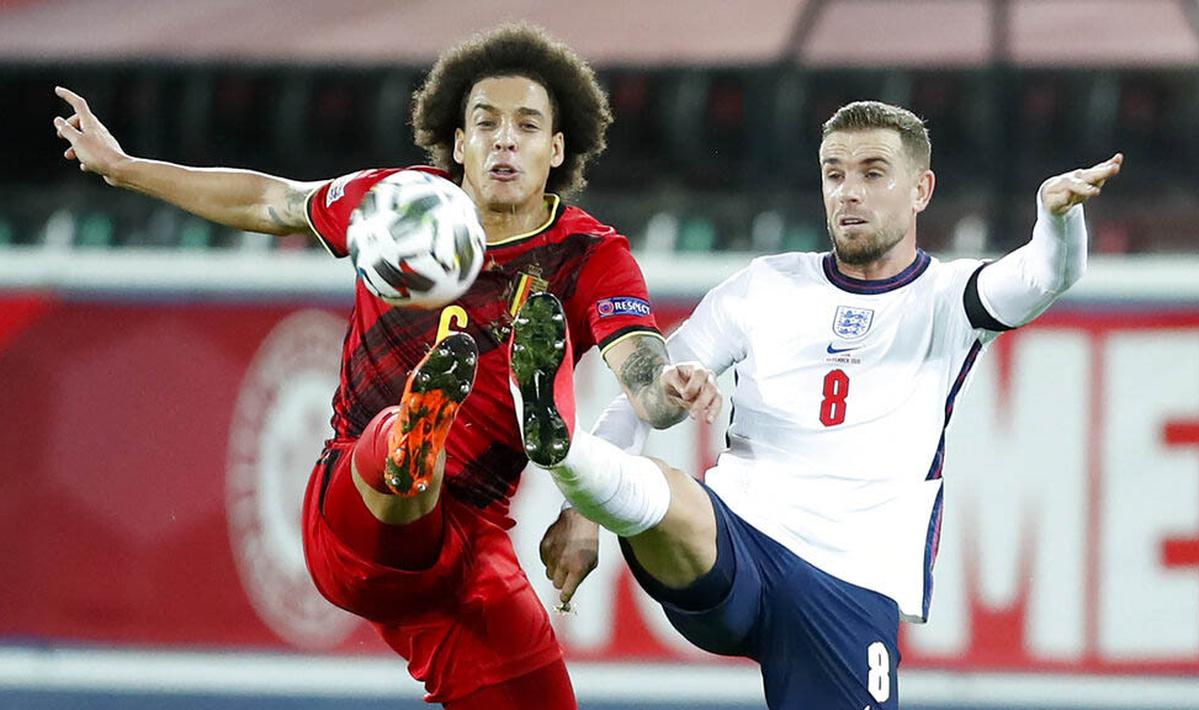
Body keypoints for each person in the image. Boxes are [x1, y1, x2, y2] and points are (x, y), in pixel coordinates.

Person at [53, 23, 718, 710]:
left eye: (526, 125)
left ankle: (423, 437)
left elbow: (642, 372)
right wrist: (123, 167)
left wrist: (668, 389)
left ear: (556, 148)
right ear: (457, 142)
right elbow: (271, 201)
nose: (504, 140)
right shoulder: (399, 205)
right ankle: (413, 438)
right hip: (353, 513)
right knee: (400, 447)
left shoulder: (588, 255)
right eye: (485, 123)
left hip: (468, 554)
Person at [510, 101, 1123, 709]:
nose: (848, 192)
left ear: (921, 190)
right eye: (835, 174)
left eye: (872, 173)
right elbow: (644, 399)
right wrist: (581, 508)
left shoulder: (950, 297)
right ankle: (566, 451)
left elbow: (1044, 275)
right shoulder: (764, 285)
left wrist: (1057, 217)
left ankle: (582, 465)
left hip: (847, 581)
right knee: (661, 490)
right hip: (738, 541)